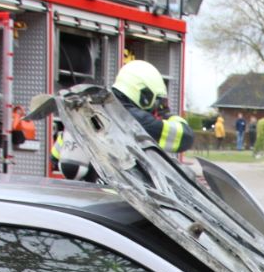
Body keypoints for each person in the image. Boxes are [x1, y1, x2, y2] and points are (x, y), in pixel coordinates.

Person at [56, 60, 194, 181]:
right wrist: (167, 114)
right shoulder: (133, 119)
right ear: (143, 94)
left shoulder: (90, 108)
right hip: (112, 199)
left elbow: (55, 154)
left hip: (84, 192)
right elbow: (185, 138)